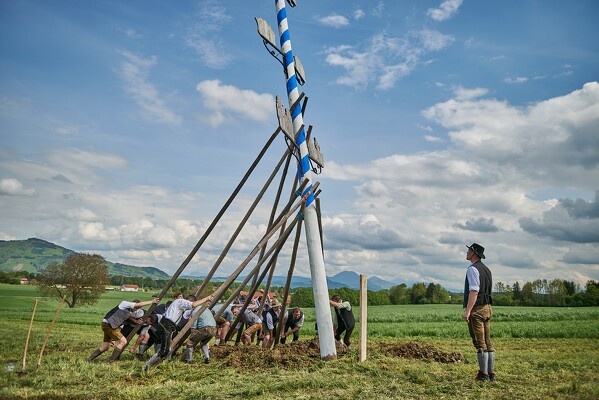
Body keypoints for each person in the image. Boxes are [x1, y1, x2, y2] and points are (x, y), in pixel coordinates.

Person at [143, 293, 213, 371]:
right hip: (167, 325)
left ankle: (151, 366)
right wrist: (207, 298)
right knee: (164, 351)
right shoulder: (180, 301)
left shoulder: (181, 306)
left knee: (167, 350)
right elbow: (193, 305)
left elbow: (190, 312)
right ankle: (146, 367)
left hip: (169, 326)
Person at [86, 297, 160, 362]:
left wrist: (113, 339)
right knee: (124, 341)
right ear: (133, 304)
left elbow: (120, 324)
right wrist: (152, 302)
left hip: (109, 326)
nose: (136, 310)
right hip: (109, 325)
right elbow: (137, 305)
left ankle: (89, 359)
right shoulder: (123, 304)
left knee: (105, 347)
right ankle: (111, 360)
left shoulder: (128, 313)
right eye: (136, 308)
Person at [463, 243, 495, 381]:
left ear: (473, 253)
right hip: (488, 308)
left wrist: (468, 311)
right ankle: (490, 373)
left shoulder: (472, 269)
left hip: (477, 309)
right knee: (488, 342)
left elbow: (474, 291)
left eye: (468, 250)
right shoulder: (487, 270)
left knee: (479, 342)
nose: (467, 252)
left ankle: (483, 374)